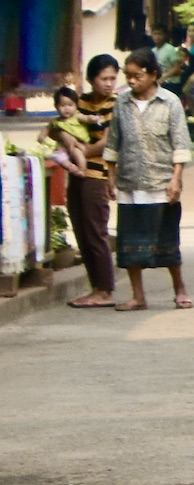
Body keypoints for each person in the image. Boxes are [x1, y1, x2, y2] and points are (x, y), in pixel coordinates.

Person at [101, 48, 192, 311]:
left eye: (137, 75)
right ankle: (138, 296)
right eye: (127, 76)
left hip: (161, 182)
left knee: (167, 241)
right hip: (130, 181)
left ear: (153, 74)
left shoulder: (170, 102)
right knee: (129, 244)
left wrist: (176, 179)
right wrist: (110, 175)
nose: (131, 81)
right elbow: (114, 142)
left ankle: (180, 288)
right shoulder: (122, 103)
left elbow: (180, 144)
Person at [56, 56, 120, 308]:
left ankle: (105, 290)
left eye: (113, 78)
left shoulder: (117, 104)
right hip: (77, 173)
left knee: (96, 232)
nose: (109, 84)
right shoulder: (80, 102)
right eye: (104, 78)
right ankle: (96, 287)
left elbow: (108, 142)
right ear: (92, 79)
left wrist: (82, 151)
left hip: (98, 174)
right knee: (81, 231)